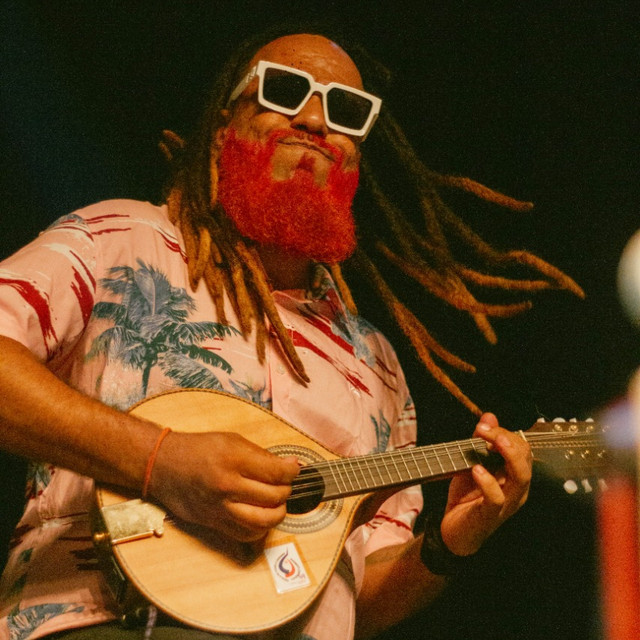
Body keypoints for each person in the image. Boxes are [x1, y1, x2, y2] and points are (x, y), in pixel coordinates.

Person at [0, 29, 582, 640]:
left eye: (346, 110)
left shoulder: (376, 366)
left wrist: (447, 544)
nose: (314, 120)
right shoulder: (119, 242)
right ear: (225, 127)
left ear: (355, 160)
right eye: (284, 90)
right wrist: (158, 460)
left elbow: (353, 595)